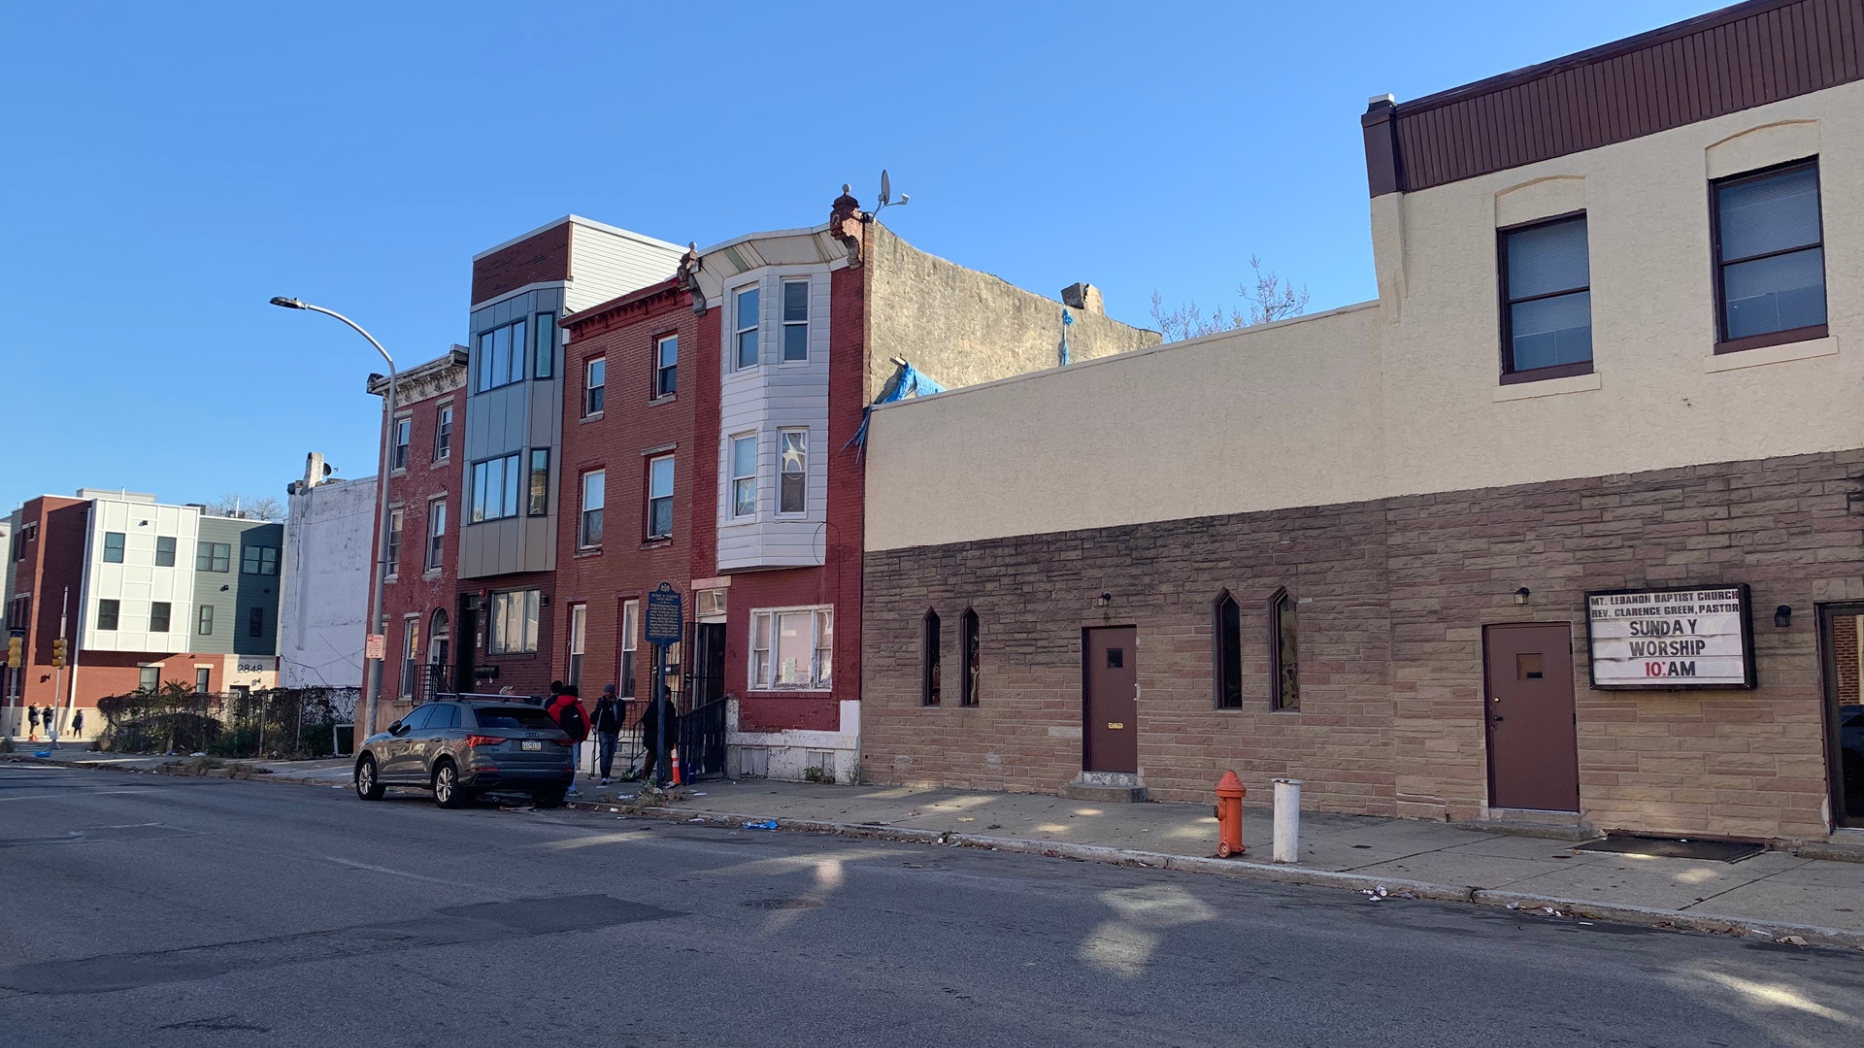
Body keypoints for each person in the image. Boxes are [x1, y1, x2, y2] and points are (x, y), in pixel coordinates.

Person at [544, 684, 590, 795]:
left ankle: (552, 786)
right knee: (572, 764)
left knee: (553, 762)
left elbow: (547, 723)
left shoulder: (554, 707)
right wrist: (581, 738)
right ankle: (571, 787)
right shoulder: (578, 707)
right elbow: (586, 723)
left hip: (555, 740)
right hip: (572, 740)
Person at [639, 689, 679, 789]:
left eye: (668, 694)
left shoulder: (670, 707)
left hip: (666, 736)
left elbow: (672, 721)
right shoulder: (654, 706)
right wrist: (656, 726)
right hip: (654, 737)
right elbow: (646, 719)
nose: (667, 696)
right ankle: (645, 779)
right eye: (665, 694)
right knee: (652, 758)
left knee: (667, 757)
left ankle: (669, 779)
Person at [590, 684, 623, 786]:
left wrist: (618, 726)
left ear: (613, 693)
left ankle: (607, 774)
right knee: (604, 752)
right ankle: (604, 775)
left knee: (610, 753)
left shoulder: (620, 703)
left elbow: (622, 716)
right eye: (606, 692)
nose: (606, 694)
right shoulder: (602, 702)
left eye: (608, 692)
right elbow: (597, 713)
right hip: (603, 730)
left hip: (614, 731)